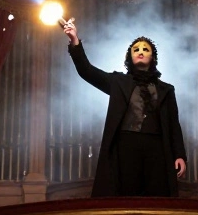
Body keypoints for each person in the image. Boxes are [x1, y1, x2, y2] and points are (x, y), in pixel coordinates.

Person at [61, 19, 187, 197]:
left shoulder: (166, 89)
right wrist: (74, 41)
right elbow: (87, 71)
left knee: (157, 197)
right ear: (130, 57)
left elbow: (174, 124)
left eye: (145, 49)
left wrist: (180, 155)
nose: (141, 51)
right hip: (125, 145)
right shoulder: (118, 82)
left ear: (152, 57)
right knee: (125, 194)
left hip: (157, 147)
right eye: (136, 49)